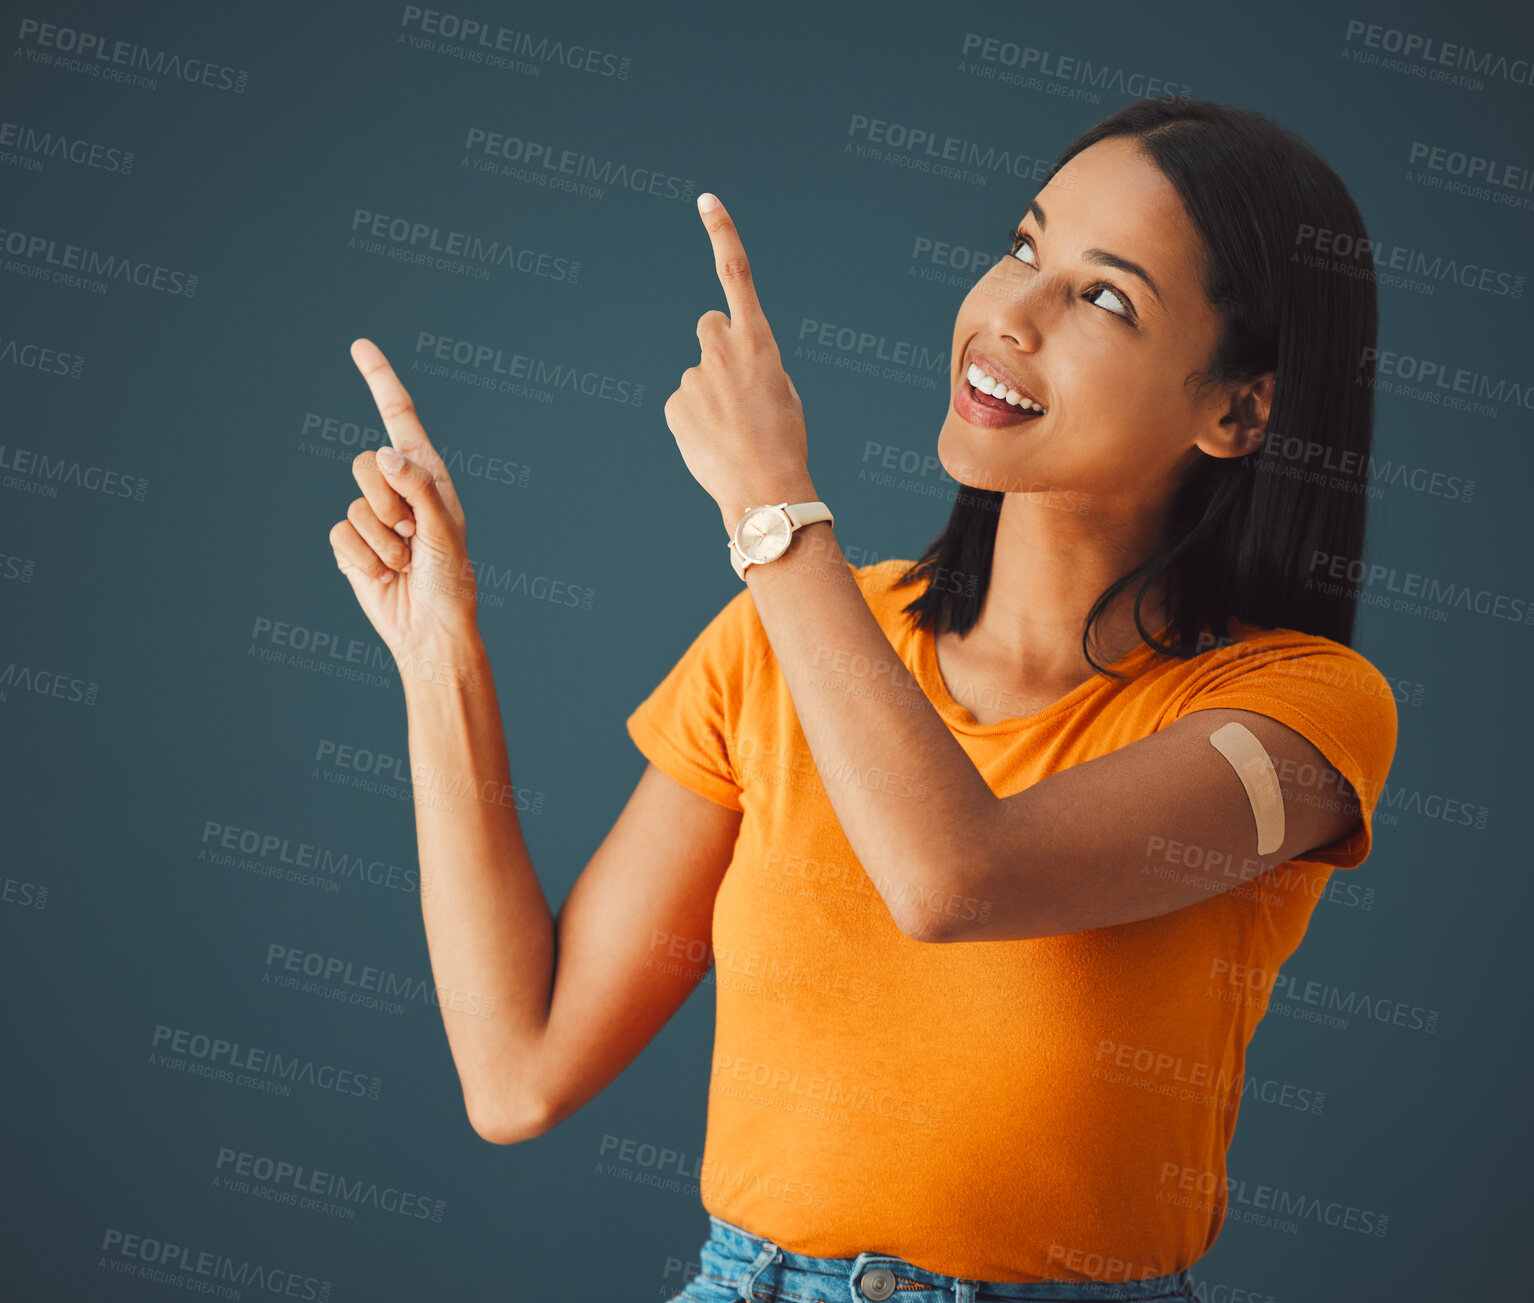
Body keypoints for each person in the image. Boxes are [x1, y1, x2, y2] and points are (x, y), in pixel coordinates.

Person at [327, 96, 1398, 1300]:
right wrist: (436, 653)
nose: (1010, 315)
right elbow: (516, 1069)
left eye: (1103, 297)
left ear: (1239, 410)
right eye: (1023, 247)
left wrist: (771, 509)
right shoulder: (786, 638)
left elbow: (952, 878)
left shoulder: (1300, 716)